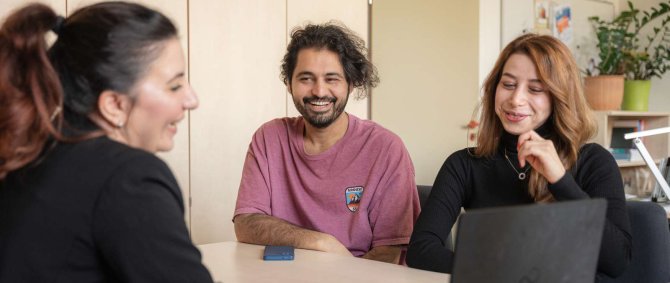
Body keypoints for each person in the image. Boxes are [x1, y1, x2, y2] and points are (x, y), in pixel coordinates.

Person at [0, 2, 213, 282]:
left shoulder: (30, 155)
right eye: (174, 86)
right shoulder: (129, 178)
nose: (192, 100)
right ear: (114, 104)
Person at [406, 33, 631, 278]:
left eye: (535, 88)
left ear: (559, 97)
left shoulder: (593, 161)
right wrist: (501, 274)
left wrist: (560, 180)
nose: (516, 99)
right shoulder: (464, 164)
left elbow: (616, 262)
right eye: (509, 84)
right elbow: (421, 250)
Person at [233, 22, 420, 264]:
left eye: (332, 79)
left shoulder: (386, 149)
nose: (319, 91)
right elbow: (246, 223)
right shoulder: (269, 138)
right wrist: (322, 242)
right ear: (288, 84)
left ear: (351, 84)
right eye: (306, 78)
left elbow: (390, 253)